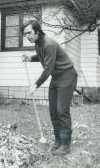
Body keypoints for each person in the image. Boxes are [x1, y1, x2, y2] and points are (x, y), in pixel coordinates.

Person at [21, 19, 78, 155]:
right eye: (25, 34)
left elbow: (48, 68)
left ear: (37, 31)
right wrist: (30, 58)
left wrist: (36, 84)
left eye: (29, 33)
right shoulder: (38, 43)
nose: (27, 36)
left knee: (62, 110)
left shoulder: (49, 44)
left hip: (67, 75)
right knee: (53, 111)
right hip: (56, 77)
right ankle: (58, 141)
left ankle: (65, 145)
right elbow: (43, 56)